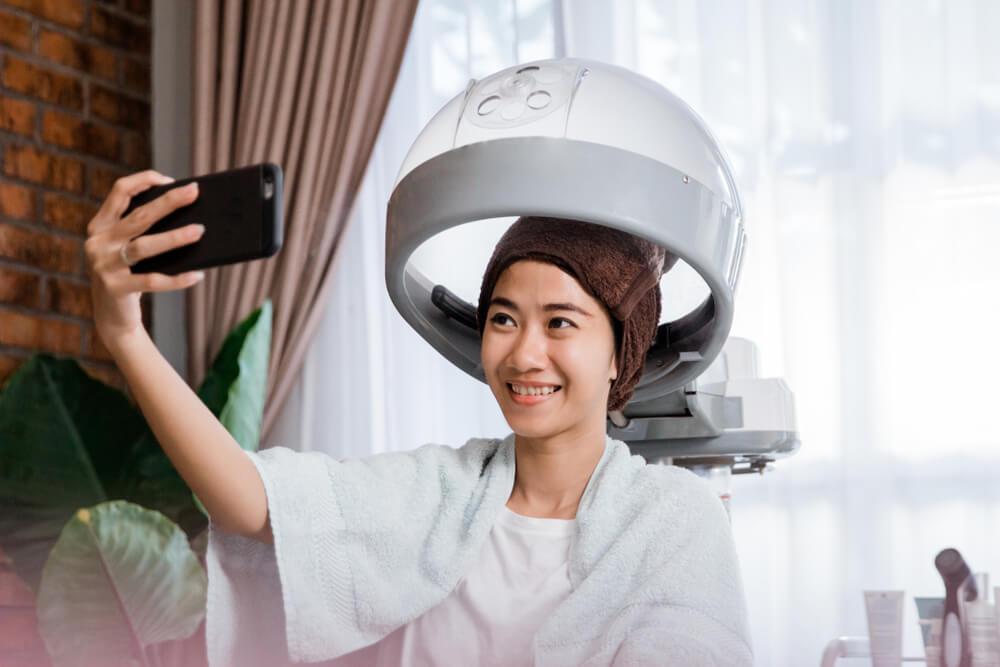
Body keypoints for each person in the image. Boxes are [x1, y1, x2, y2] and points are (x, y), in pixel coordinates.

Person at [85, 170, 753, 666]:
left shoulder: (676, 520)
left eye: (560, 322)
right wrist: (124, 334)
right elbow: (254, 504)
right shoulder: (440, 491)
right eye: (503, 318)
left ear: (619, 355)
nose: (523, 352)